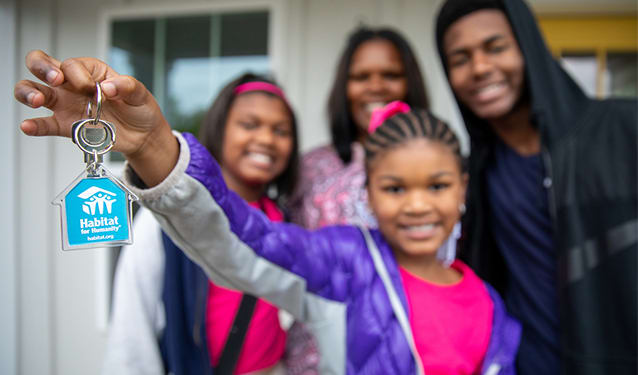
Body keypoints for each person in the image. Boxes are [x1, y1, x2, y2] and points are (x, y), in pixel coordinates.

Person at [14, 57, 520, 373]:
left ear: (463, 191)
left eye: (437, 185)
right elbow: (243, 239)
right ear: (367, 192)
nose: (415, 204)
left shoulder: (492, 305)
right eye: (393, 187)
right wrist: (153, 149)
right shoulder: (344, 261)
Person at [434, 0, 637, 374]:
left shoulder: (624, 130)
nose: (480, 68)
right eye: (460, 58)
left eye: (496, 48)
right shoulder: (473, 175)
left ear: (527, 47)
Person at [101, 73, 319, 375]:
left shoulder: (286, 218)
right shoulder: (166, 215)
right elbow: (132, 317)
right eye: (249, 125)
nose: (267, 139)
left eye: (281, 130)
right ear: (220, 130)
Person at [289, 27, 429, 229]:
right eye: (361, 77)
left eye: (391, 75)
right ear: (344, 87)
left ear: (411, 84)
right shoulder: (310, 168)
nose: (376, 87)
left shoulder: (439, 160)